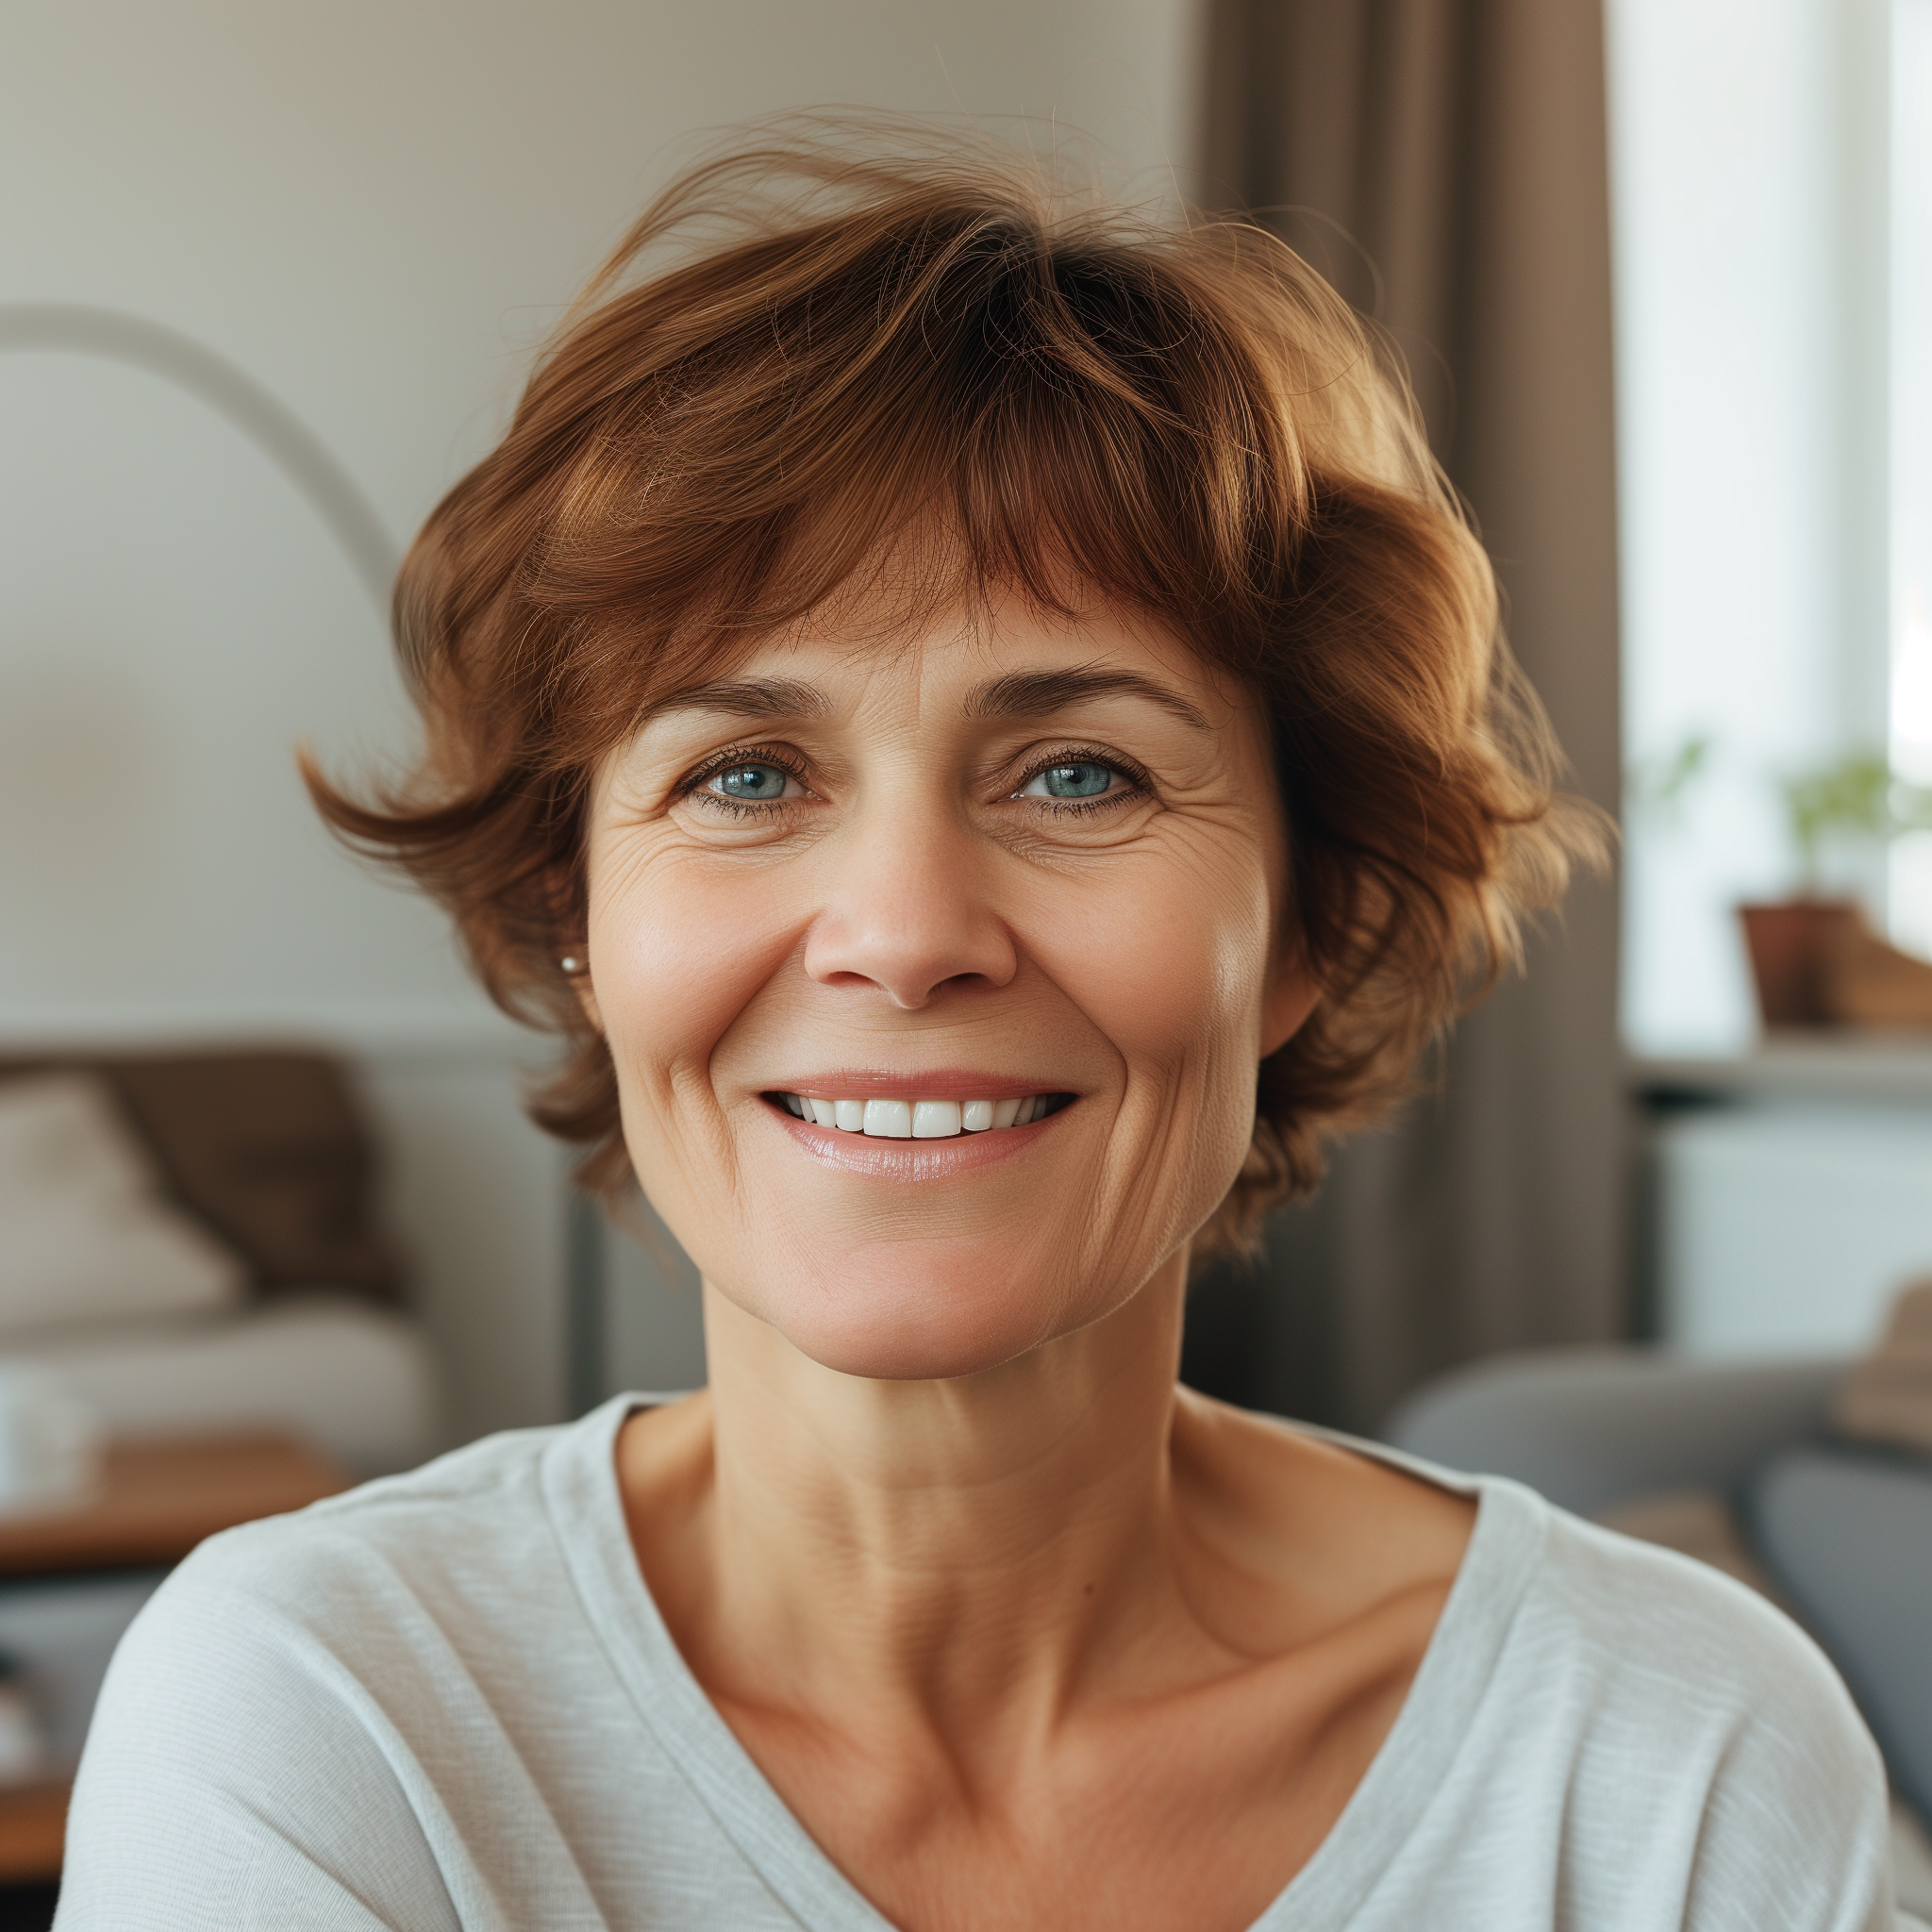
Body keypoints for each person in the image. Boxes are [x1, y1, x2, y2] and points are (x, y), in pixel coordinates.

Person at [58, 123, 1902, 1930]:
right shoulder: (327, 1720)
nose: (905, 934)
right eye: (751, 772)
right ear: (576, 915)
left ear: (1311, 923)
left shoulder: (1672, 1763)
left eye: (1080, 772)